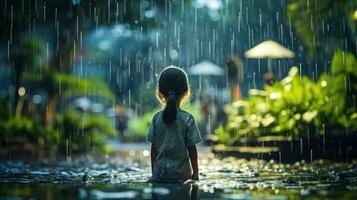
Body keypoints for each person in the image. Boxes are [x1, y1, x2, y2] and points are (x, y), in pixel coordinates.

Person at [147, 66, 202, 182]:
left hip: (161, 173)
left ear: (160, 92)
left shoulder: (156, 118)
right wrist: (196, 173)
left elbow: (153, 148)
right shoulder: (187, 119)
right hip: (182, 174)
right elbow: (192, 149)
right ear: (186, 91)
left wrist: (154, 173)